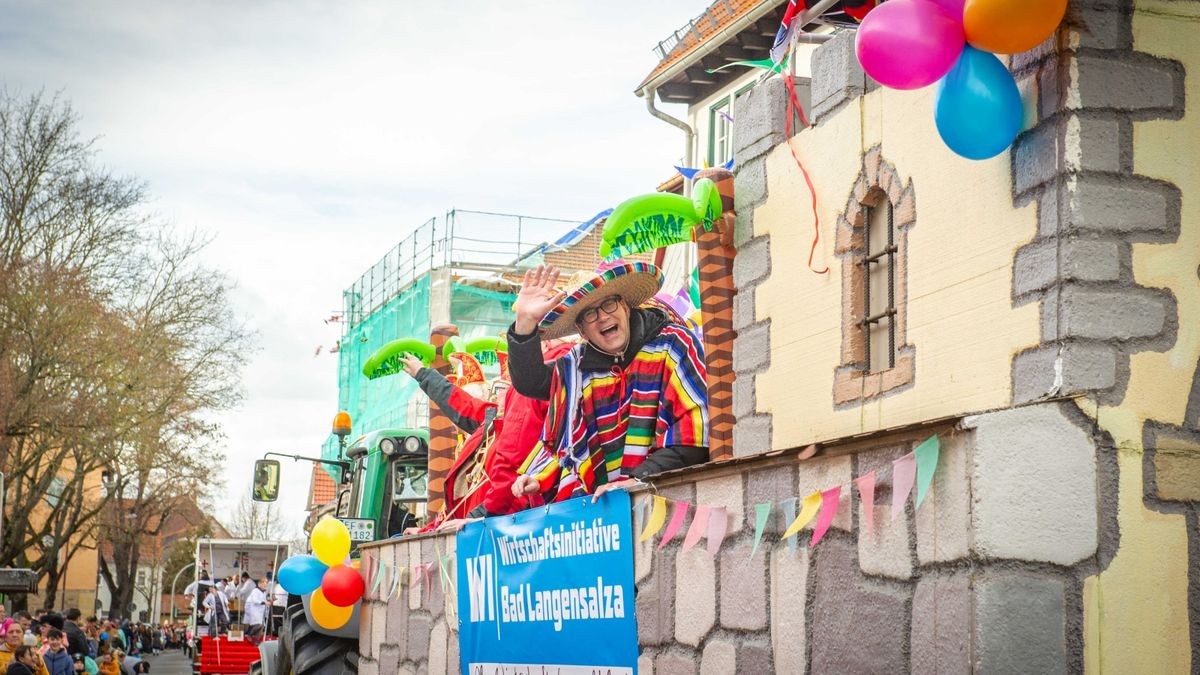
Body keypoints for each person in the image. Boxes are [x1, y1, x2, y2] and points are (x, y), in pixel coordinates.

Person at [506, 263, 710, 502]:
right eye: (590, 314)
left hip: (670, 497)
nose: (603, 316)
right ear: (581, 330)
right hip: (605, 509)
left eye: (608, 304)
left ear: (624, 306)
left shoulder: (673, 345)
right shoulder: (576, 366)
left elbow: (695, 429)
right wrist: (524, 323)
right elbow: (532, 383)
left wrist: (638, 481)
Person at [398, 339, 574, 532]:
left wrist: (482, 517)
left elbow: (512, 479)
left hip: (508, 528)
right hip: (493, 525)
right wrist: (430, 529)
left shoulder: (526, 396)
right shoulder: (492, 424)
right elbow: (462, 406)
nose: (499, 394)